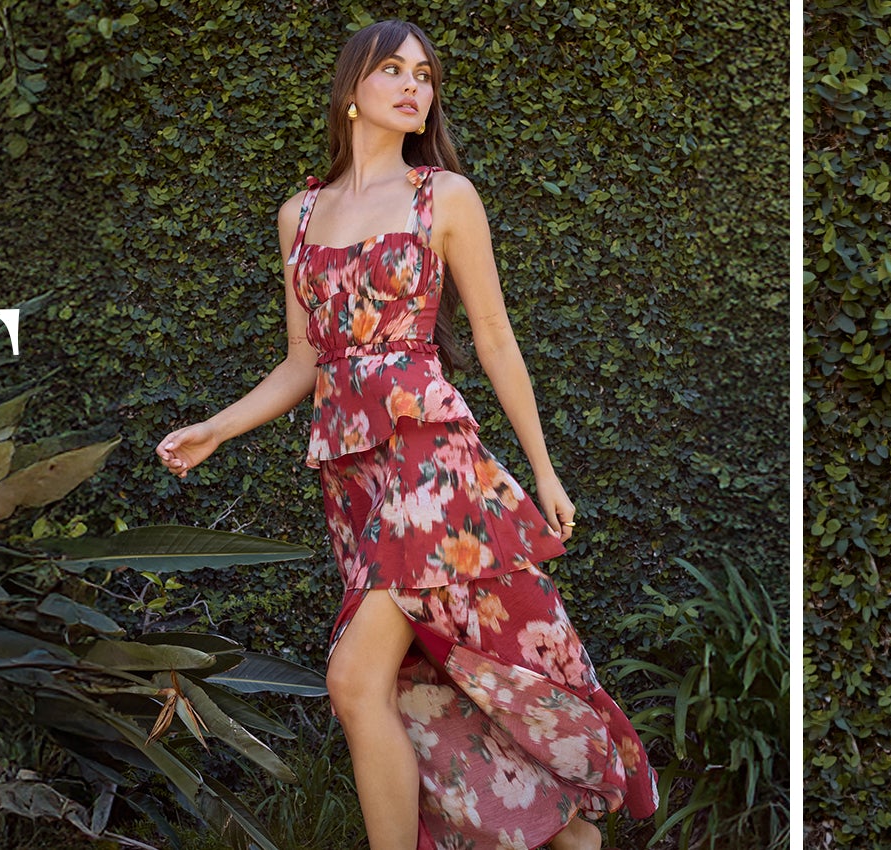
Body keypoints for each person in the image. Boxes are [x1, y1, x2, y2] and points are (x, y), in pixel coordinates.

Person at [153, 19, 658, 850]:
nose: (413, 86)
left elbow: (494, 337)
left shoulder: (444, 197)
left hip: (433, 463)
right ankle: (567, 837)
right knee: (431, 680)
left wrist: (545, 472)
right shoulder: (299, 215)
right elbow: (304, 359)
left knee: (354, 680)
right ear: (351, 92)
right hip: (353, 474)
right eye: (393, 70)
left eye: (424, 75)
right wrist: (218, 427)